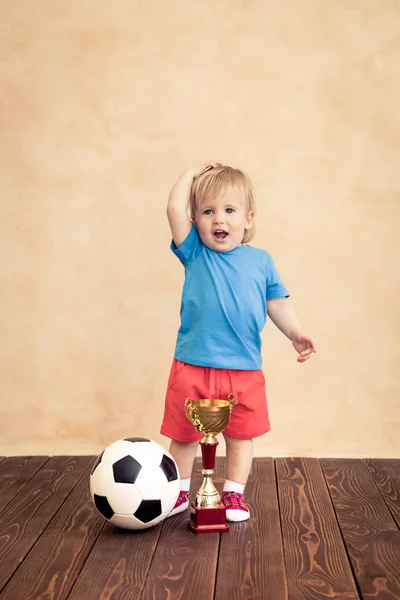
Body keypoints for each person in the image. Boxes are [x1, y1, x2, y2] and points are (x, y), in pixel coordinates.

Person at [160, 161, 316, 522]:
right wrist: (192, 171)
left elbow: (275, 303)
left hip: (243, 369)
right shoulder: (195, 253)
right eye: (208, 211)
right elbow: (172, 207)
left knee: (240, 436)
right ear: (195, 220)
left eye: (229, 210)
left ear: (248, 218)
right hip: (192, 364)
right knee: (183, 435)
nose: (219, 220)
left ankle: (232, 495)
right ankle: (180, 492)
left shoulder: (261, 261)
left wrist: (295, 333)